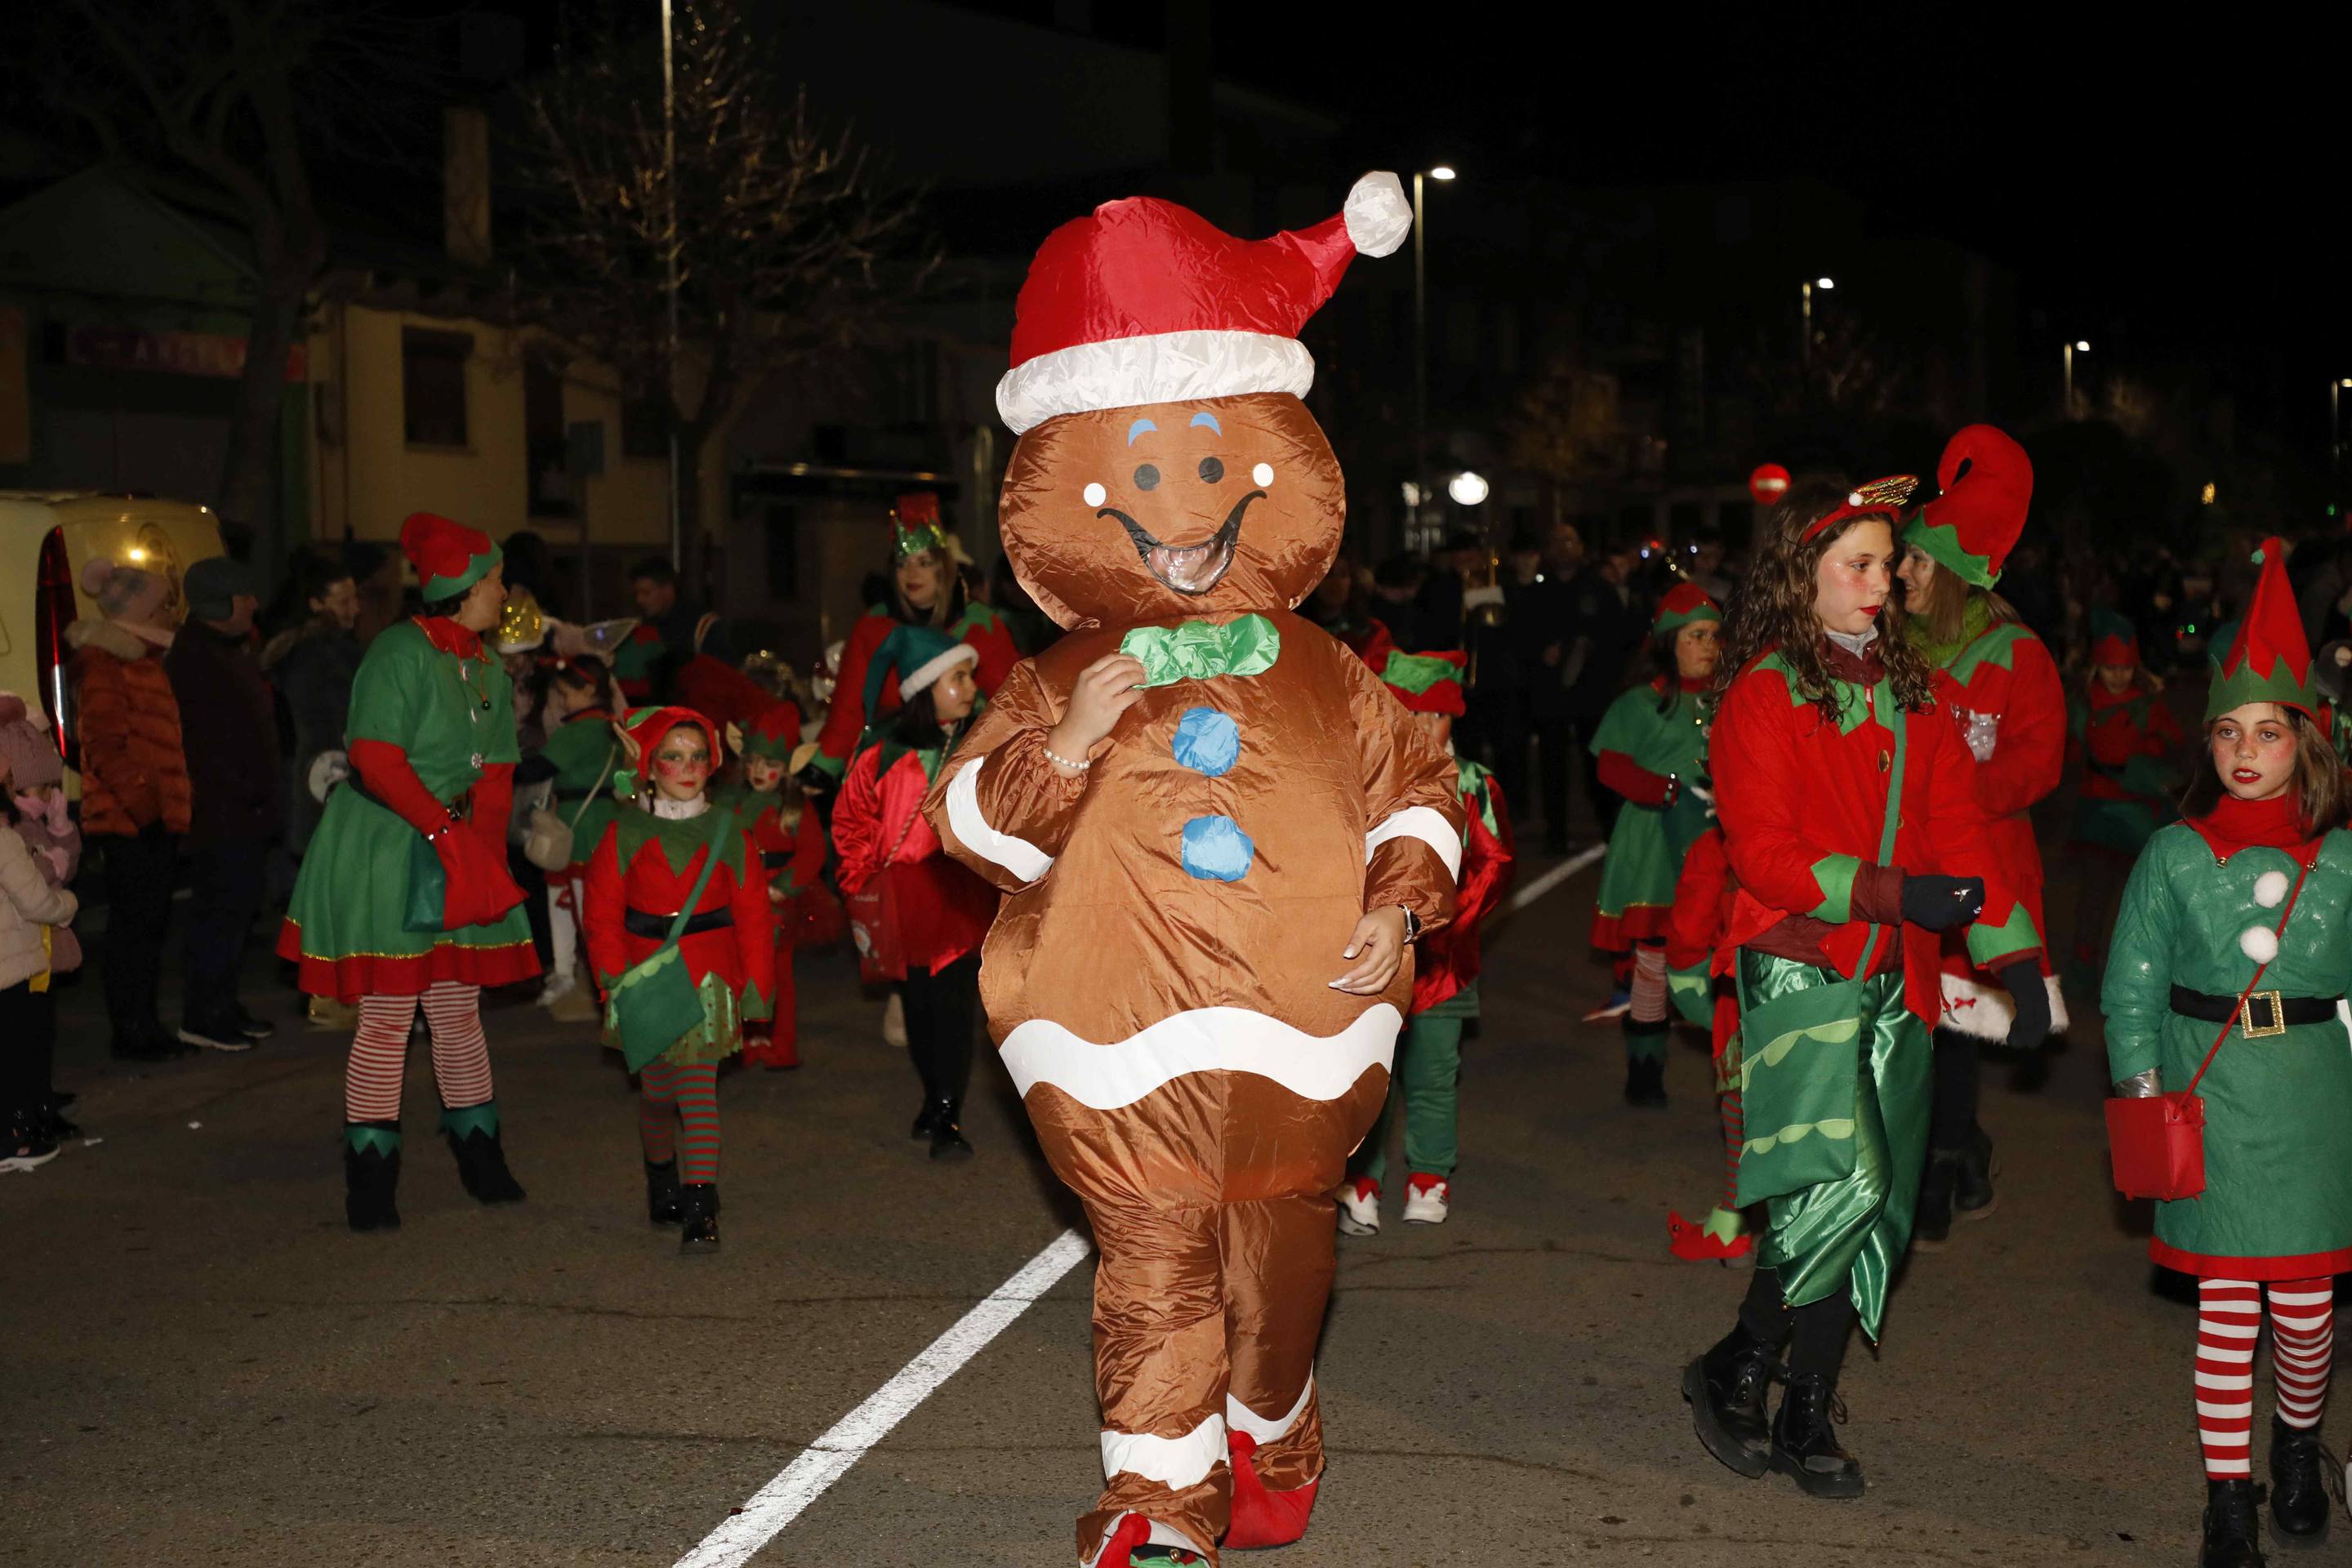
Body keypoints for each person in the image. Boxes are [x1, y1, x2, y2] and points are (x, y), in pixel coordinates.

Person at [924, 173, 1462, 1566]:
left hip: (1300, 1026)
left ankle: (1272, 1415)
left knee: (1278, 1279)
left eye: (1213, 459)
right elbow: (966, 831)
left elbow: (1420, 791)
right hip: (1115, 1028)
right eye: (1139, 467)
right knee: (1154, 1267)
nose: (1181, 507)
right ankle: (1159, 1509)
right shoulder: (1051, 673)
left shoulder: (1328, 667)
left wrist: (1403, 901)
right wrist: (1070, 746)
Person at [1682, 474, 2047, 1500]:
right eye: (1862, 563)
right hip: (1803, 960)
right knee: (1847, 1182)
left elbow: (1961, 827)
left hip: (1901, 975)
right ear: (1804, 575)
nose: (1884, 582)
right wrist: (1893, 889)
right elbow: (1764, 854)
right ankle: (1745, 1363)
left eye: (1888, 563)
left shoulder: (1909, 689)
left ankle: (1799, 1396)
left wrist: (2018, 957)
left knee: (1872, 1208)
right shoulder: (1763, 693)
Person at [2100, 537, 2352, 1567]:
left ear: (2309, 741)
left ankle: (2297, 1439)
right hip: (2205, 1099)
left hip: (2306, 1100)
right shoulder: (2172, 853)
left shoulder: (2342, 861)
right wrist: (2144, 1089)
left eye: (2268, 733)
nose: (2245, 752)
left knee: (2301, 1313)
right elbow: (2131, 986)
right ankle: (2227, 1499)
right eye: (2228, 734)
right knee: (2223, 1311)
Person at [278, 512, 540, 1232]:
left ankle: (483, 1163)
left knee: (458, 1013)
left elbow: (496, 775)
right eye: (493, 579)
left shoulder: (484, 664)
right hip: (389, 842)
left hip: (448, 840)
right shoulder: (397, 651)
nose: (502, 589)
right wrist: (442, 832)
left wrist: (481, 859)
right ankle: (370, 1184)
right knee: (389, 1018)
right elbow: (376, 757)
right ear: (462, 586)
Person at [1891, 425, 2066, 1247]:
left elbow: (2039, 763)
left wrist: (1957, 790)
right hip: (1903, 866)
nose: (1901, 574)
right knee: (1916, 1025)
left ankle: (1943, 1162)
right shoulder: (1891, 649)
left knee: (1957, 1028)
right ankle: (1957, 1149)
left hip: (1982, 864)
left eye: (1917, 561)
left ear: (1958, 570)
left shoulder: (2016, 653)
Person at [582, 706, 774, 1251]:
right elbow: (600, 917)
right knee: (658, 1097)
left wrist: (758, 988)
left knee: (698, 1092)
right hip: (645, 982)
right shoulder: (624, 833)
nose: (686, 767)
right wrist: (612, 981)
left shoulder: (728, 830)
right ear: (648, 765)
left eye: (696, 756)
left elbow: (755, 916)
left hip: (711, 981)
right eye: (672, 756)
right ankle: (661, 1172)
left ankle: (699, 1207)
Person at [1334, 645, 1512, 1234]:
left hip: (1445, 960)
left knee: (1436, 1075)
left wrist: (1441, 923)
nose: (1422, 728)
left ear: (1452, 718)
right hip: (1373, 957)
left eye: (1434, 716)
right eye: (1408, 714)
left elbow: (1495, 861)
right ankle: (1360, 1179)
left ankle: (1429, 1175)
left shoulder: (1473, 783)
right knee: (1370, 1074)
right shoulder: (1360, 778)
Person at [832, 628, 996, 1157]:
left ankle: (947, 1111)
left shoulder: (982, 742)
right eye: (958, 677)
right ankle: (933, 1095)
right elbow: (851, 819)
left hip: (956, 891)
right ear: (926, 688)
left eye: (969, 675)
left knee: (952, 1005)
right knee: (919, 1005)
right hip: (901, 893)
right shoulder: (884, 750)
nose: (970, 686)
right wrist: (859, 885)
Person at [1588, 583, 1722, 1102]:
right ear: (1670, 641)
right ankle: (1645, 1068)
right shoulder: (1640, 703)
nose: (1708, 645)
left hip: (1712, 839)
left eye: (1714, 635)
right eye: (1696, 635)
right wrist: (1665, 791)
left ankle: (1728, 1057)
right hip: (1652, 843)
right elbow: (1610, 765)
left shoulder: (1728, 697)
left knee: (1713, 948)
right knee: (1656, 954)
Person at [67, 559, 194, 1062]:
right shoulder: (108, 665)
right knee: (133, 930)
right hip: (131, 821)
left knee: (146, 929)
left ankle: (144, 1025)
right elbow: (103, 743)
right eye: (163, 604)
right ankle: (133, 1031)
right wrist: (145, 805)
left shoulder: (141, 661)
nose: (170, 614)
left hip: (147, 818)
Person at [805, 495, 1018, 786]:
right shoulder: (874, 626)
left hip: (966, 775)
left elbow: (1013, 705)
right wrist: (824, 765)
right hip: (894, 775)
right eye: (903, 564)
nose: (912, 574)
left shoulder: (981, 626)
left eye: (924, 562)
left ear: (943, 568)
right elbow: (849, 708)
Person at [164, 557, 284, 1051]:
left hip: (239, 812)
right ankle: (205, 1014)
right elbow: (210, 745)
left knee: (235, 914)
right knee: (219, 915)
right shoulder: (198, 660)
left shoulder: (222, 650)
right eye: (243, 595)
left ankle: (222, 1005)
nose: (253, 603)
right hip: (223, 815)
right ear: (220, 603)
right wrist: (245, 790)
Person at [2067, 610, 2181, 985]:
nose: (2118, 676)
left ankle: (2136, 976)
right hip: (2097, 817)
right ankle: (2083, 968)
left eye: (2125, 668)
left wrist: (2143, 762)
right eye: (2110, 667)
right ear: (2097, 666)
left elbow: (2173, 752)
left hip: (2138, 819)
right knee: (2093, 900)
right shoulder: (2084, 702)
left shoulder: (2148, 704)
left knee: (2138, 903)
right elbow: (2070, 755)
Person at [0, 697, 81, 1172]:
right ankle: (20, 1136)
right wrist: (67, 904)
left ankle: (30, 1118)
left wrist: (62, 829)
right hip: (19, 957)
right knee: (20, 1049)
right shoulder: (8, 838)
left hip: (24, 954)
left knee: (27, 1046)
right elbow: (35, 897)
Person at [728, 701, 827, 1071]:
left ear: (788, 769)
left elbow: (813, 851)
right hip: (737, 893)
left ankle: (780, 1043)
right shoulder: (732, 801)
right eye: (753, 762)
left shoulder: (795, 807)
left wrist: (784, 886)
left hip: (775, 898)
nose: (758, 771)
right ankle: (746, 1038)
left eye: (770, 765)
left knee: (778, 973)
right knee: (739, 969)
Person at [532, 656, 619, 1024]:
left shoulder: (580, 730)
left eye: (568, 694)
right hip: (598, 823)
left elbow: (539, 768)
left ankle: (582, 976)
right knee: (584, 907)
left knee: (577, 909)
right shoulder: (610, 727)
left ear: (590, 691)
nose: (564, 702)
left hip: (578, 829)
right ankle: (580, 975)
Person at [262, 551, 363, 864]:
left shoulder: (328, 650)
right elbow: (323, 731)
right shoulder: (315, 656)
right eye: (344, 601)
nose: (355, 609)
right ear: (316, 603)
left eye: (354, 599)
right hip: (321, 783)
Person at [1561, 540, 1646, 841]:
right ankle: (1609, 822)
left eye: (1624, 565)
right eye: (1613, 566)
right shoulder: (1592, 596)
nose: (1619, 572)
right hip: (1598, 693)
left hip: (1629, 692)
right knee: (1598, 760)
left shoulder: (1638, 594)